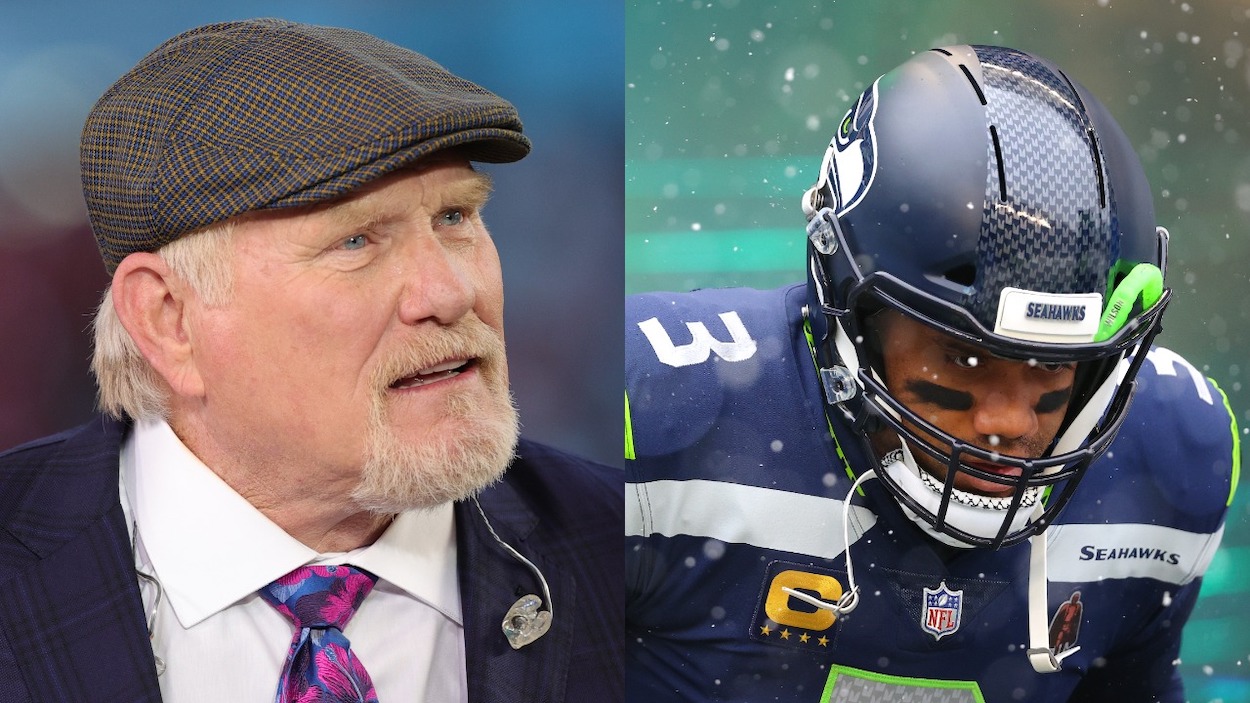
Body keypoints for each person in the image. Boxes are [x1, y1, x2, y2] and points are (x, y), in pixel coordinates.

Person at [0, 18, 622, 703]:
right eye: (356, 240)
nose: (451, 292)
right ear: (168, 319)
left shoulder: (644, 559)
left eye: (455, 218)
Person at [625, 45, 1238, 702]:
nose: (1006, 421)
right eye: (963, 355)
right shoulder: (663, 407)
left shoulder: (1173, 452)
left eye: (1055, 363)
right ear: (848, 309)